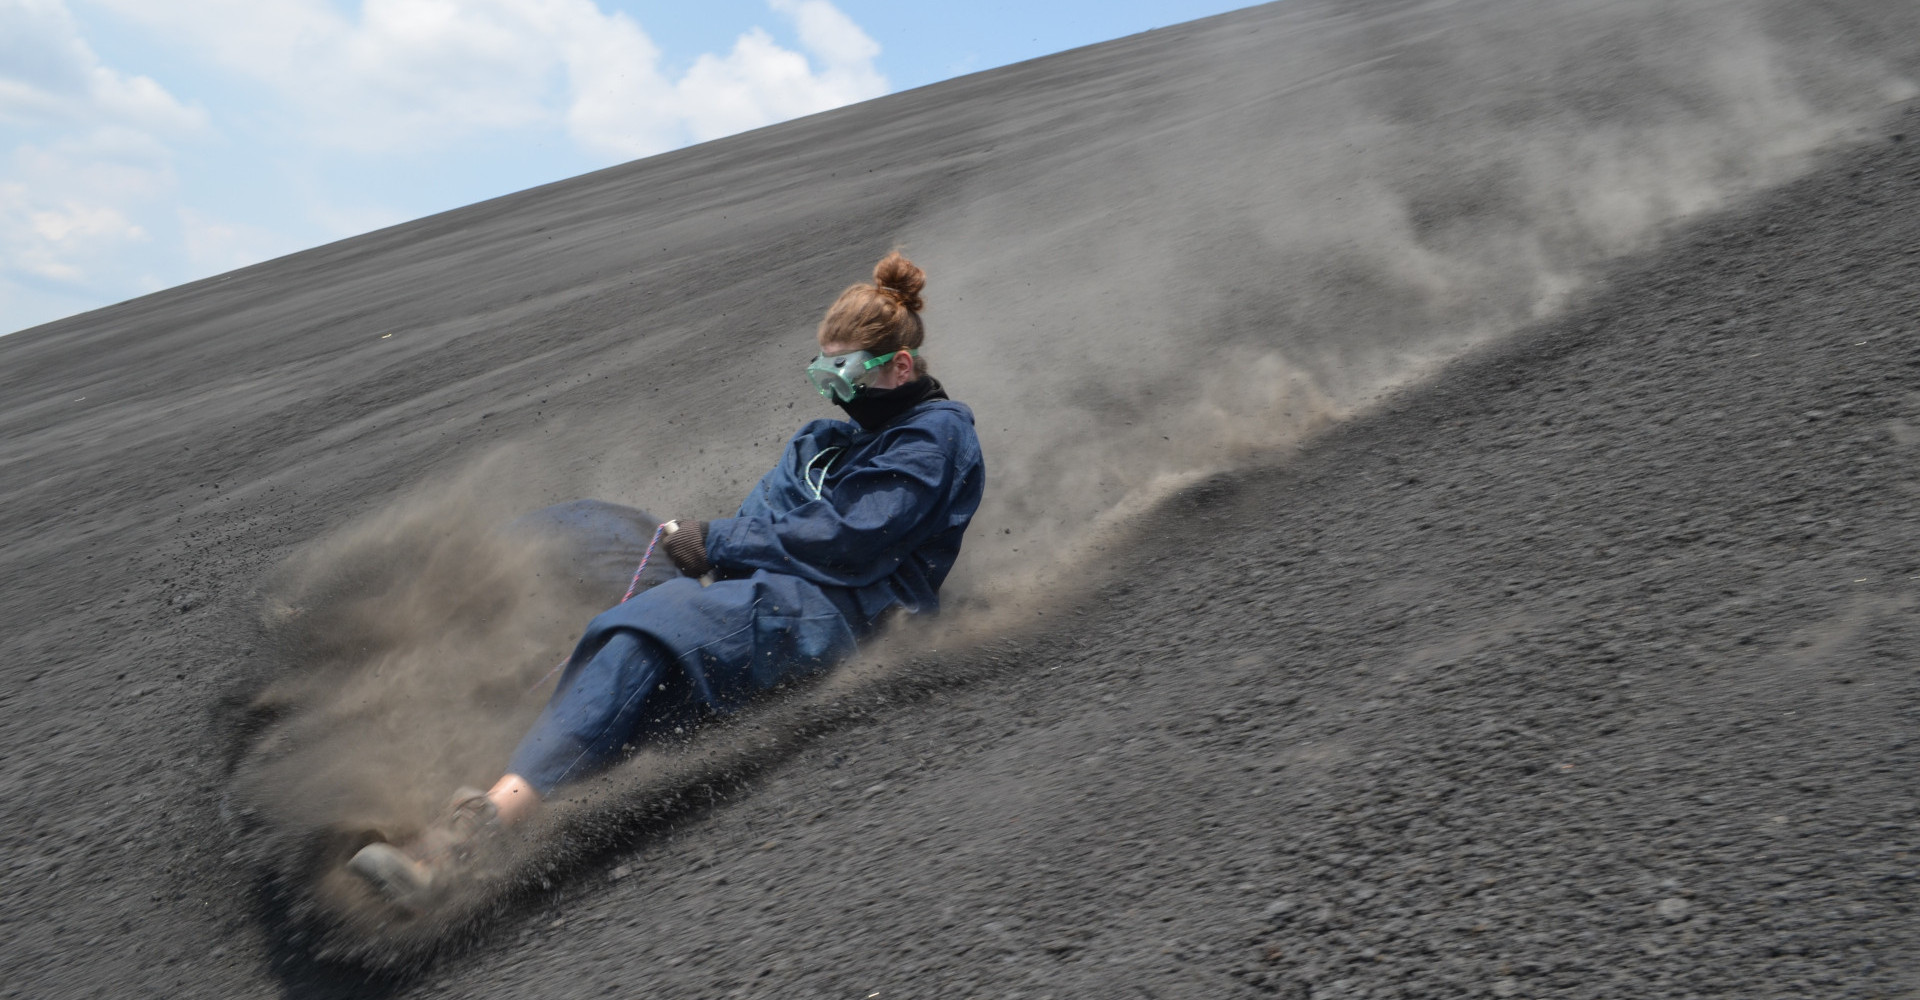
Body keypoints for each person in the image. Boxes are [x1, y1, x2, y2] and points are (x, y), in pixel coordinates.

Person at [346, 252, 985, 908]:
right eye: (821, 371)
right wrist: (697, 546)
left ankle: (468, 842)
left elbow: (854, 541)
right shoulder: (821, 441)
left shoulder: (932, 441)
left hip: (841, 614)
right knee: (596, 539)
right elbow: (764, 520)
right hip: (765, 598)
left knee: (648, 632)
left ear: (899, 367)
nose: (832, 390)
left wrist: (717, 542)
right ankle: (435, 802)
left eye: (844, 372)